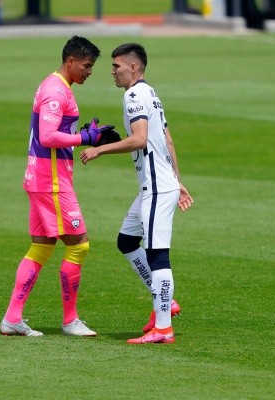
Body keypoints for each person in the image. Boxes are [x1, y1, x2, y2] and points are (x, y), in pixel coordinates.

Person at [80, 43, 194, 345]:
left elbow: (141, 140)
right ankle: (165, 304)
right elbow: (167, 140)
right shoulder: (151, 94)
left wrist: (100, 149)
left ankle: (164, 327)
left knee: (158, 253)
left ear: (133, 67)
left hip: (156, 187)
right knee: (127, 240)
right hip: (157, 185)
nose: (112, 72)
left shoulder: (134, 95)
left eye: (116, 66)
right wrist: (178, 180)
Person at [0, 36, 105, 338]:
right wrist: (84, 139)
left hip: (41, 177)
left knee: (42, 246)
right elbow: (48, 136)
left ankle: (12, 318)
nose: (89, 72)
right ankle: (70, 320)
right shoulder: (56, 91)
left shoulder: (55, 86)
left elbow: (55, 131)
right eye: (86, 66)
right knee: (79, 244)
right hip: (52, 182)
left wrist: (83, 133)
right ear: (70, 61)